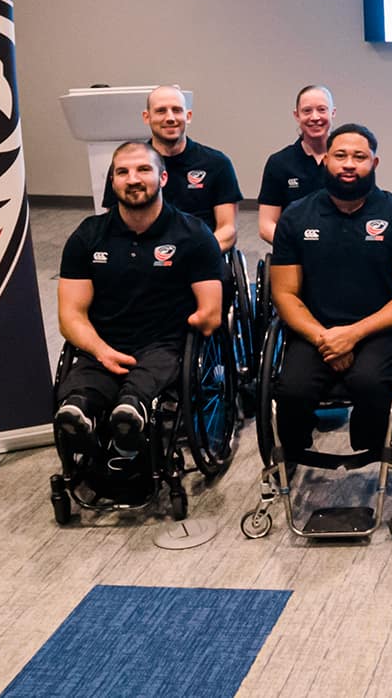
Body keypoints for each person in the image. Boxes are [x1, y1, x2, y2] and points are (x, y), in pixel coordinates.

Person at [269, 124, 392, 457]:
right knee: (291, 391)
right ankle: (295, 454)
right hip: (314, 330)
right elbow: (284, 293)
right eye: (340, 155)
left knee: (369, 383)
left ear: (374, 163)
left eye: (360, 157)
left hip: (380, 330)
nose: (349, 164)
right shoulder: (296, 217)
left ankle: (371, 451)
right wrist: (324, 338)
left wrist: (352, 335)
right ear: (326, 160)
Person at [54, 141, 223, 454]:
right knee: (78, 395)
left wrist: (187, 325)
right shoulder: (88, 236)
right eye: (123, 172)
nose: (133, 179)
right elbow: (70, 315)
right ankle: (83, 419)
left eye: (144, 169)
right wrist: (100, 349)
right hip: (103, 343)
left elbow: (211, 315)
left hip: (165, 344)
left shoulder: (194, 235)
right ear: (112, 181)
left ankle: (130, 418)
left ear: (163, 178)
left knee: (137, 393)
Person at [103, 85, 243, 253]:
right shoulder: (127, 167)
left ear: (188, 116)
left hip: (199, 257)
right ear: (146, 117)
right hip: (144, 259)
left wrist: (196, 257)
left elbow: (228, 230)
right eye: (161, 111)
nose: (170, 118)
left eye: (176, 110)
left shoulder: (217, 164)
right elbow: (114, 226)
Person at [258, 85, 336, 243]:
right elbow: (266, 225)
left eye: (322, 109)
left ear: (332, 113)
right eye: (307, 111)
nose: (315, 117)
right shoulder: (279, 163)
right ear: (297, 115)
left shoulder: (347, 162)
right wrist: (294, 249)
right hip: (295, 250)